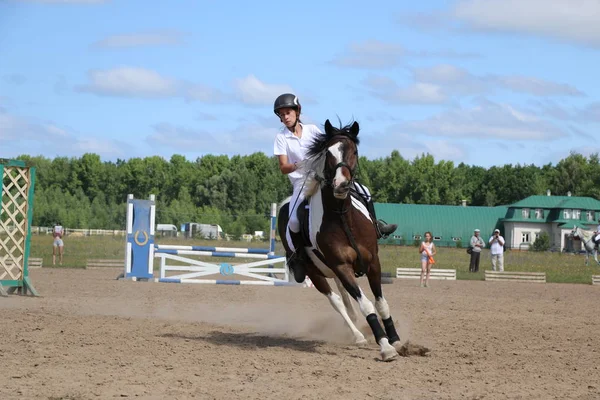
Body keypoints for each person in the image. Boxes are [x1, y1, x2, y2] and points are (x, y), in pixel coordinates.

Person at [272, 93, 397, 283]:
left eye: (287, 112)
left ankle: (376, 226)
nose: (285, 117)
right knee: (294, 221)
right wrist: (300, 164)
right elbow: (283, 167)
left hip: (322, 177)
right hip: (301, 182)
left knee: (364, 191)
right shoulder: (281, 138)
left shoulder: (312, 130)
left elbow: (331, 147)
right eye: (281, 115)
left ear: (297, 112)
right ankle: (297, 258)